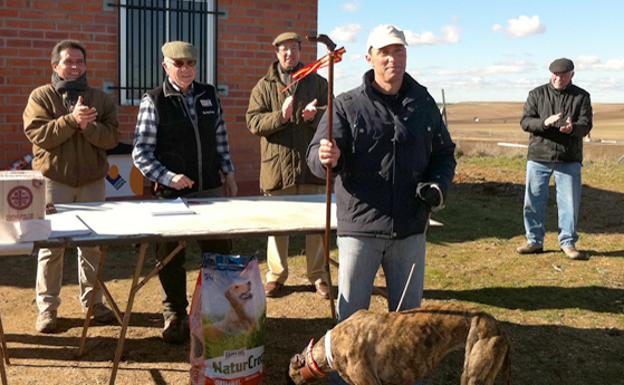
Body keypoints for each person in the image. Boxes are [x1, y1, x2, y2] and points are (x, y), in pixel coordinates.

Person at [307, 24, 456, 385]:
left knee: (409, 324)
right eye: (385, 52)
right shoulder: (345, 105)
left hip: (410, 227)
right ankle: (343, 381)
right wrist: (326, 156)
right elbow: (314, 156)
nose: (392, 59)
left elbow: (444, 153)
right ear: (369, 57)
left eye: (399, 51)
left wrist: (437, 185)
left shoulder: (423, 104)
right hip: (361, 227)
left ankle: (406, 379)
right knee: (349, 321)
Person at [132, 41, 238, 343]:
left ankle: (216, 312)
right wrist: (168, 177)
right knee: (169, 257)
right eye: (178, 64)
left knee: (218, 252)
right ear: (165, 66)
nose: (186, 69)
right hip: (171, 196)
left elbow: (221, 137)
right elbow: (141, 153)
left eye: (190, 63)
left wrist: (228, 172)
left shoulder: (208, 94)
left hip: (211, 190)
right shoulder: (154, 100)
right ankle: (175, 314)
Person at [23, 39, 119, 333]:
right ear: (55, 66)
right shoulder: (41, 96)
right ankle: (48, 309)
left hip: (92, 183)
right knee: (51, 248)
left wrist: (89, 127)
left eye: (80, 62)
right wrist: (70, 120)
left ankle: (94, 303)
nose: (75, 67)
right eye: (68, 62)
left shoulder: (100, 99)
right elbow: (38, 134)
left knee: (92, 246)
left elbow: (112, 138)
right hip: (54, 183)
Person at [246, 32, 330, 299]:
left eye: (293, 49)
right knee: (278, 227)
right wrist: (280, 117)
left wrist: (311, 119)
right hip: (277, 169)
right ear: (276, 53)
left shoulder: (317, 83)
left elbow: (332, 117)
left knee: (316, 227)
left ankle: (319, 276)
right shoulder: (263, 86)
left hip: (309, 167)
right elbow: (253, 123)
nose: (289, 54)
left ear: (299, 52)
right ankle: (276, 276)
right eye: (283, 50)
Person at [517, 58, 593, 260]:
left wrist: (573, 129)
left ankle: (568, 243)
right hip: (539, 156)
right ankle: (534, 241)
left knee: (569, 203)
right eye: (555, 74)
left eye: (563, 75)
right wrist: (544, 122)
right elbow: (525, 122)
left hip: (568, 158)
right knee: (533, 201)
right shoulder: (536, 94)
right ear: (550, 74)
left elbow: (586, 125)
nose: (558, 78)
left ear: (572, 75)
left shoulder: (582, 96)